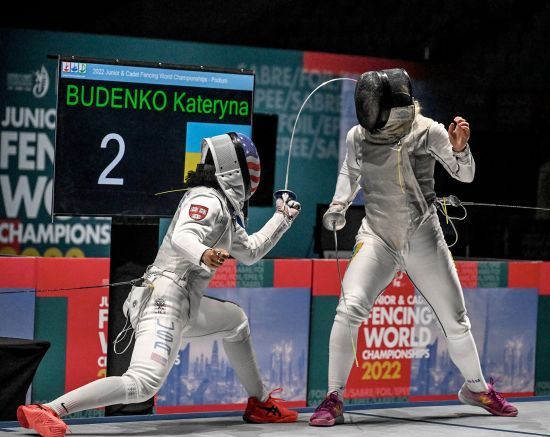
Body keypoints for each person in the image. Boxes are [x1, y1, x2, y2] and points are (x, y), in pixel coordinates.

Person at [18, 132, 301, 437]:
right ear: (234, 170)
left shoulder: (226, 211)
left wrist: (282, 217)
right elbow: (183, 236)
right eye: (250, 168)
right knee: (142, 384)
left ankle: (260, 404)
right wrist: (204, 253)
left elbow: (251, 252)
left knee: (236, 321)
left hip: (185, 303)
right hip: (164, 300)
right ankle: (49, 410)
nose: (254, 174)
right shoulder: (206, 199)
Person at [309, 69, 518, 427]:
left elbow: (464, 175)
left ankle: (477, 389)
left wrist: (460, 148)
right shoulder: (357, 136)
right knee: (348, 308)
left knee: (455, 320)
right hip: (377, 236)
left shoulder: (427, 130)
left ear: (392, 105)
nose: (367, 111)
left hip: (423, 236)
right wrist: (338, 206)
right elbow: (350, 171)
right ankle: (333, 398)